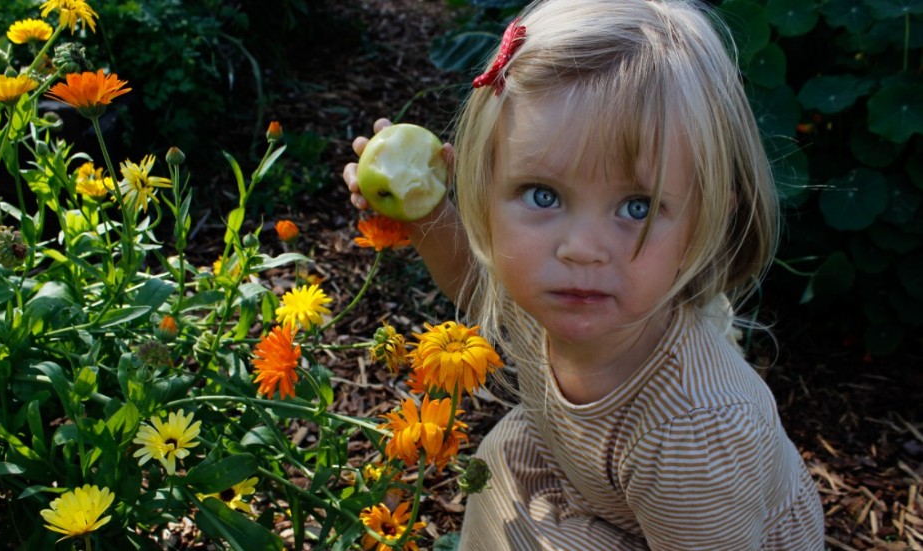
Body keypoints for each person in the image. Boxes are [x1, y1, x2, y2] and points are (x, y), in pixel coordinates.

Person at [343, 0, 824, 548]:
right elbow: (477, 289)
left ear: (704, 219)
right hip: (590, 488)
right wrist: (422, 210)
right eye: (543, 195)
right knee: (502, 460)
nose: (581, 249)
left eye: (637, 207)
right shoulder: (565, 297)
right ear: (485, 188)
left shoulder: (694, 432)